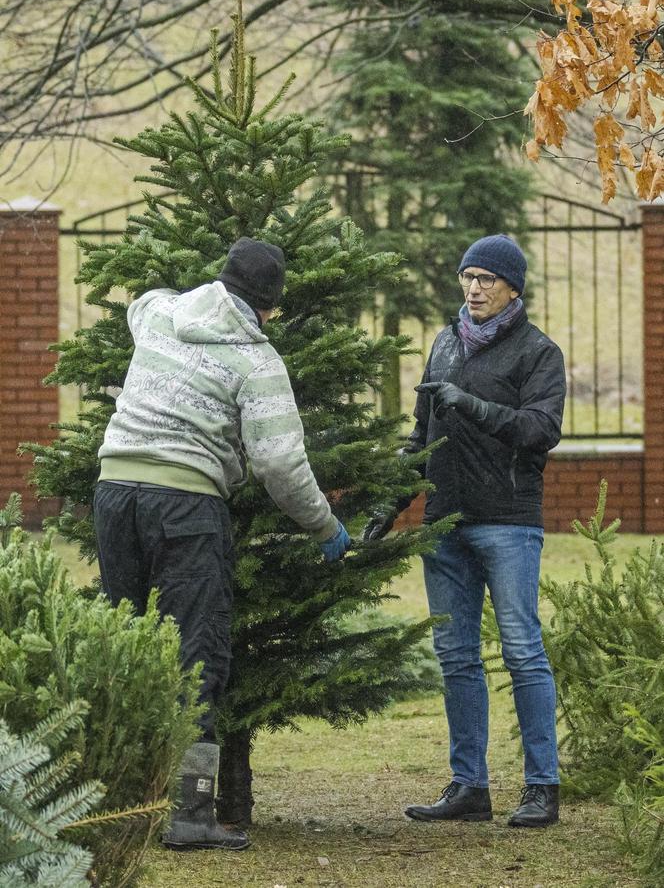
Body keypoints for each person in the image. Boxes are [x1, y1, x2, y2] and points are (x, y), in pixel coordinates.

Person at [93, 237, 351, 852]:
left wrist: (179, 294)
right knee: (195, 652)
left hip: (112, 494)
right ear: (271, 308)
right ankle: (188, 815)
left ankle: (120, 802)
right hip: (184, 504)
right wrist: (323, 527)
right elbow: (279, 462)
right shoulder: (256, 361)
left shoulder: (162, 314)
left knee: (124, 643)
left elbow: (142, 303)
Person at [364, 234, 565, 828]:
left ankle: (541, 788)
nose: (474, 289)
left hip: (508, 524)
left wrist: (472, 406)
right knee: (455, 657)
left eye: (486, 280)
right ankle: (469, 787)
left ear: (512, 289)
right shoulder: (445, 345)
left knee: (523, 651)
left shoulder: (537, 353)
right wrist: (390, 506)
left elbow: (540, 430)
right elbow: (421, 439)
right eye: (467, 278)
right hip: (445, 524)